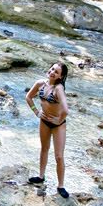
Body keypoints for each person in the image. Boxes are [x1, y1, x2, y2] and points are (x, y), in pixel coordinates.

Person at [26, 62, 70, 197]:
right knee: (44, 149)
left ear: (60, 76)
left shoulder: (59, 89)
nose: (52, 72)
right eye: (52, 69)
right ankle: (41, 176)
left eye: (56, 72)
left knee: (59, 156)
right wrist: (36, 112)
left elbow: (66, 110)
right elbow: (28, 97)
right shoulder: (40, 83)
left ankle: (61, 186)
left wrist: (59, 120)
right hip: (44, 121)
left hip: (58, 126)